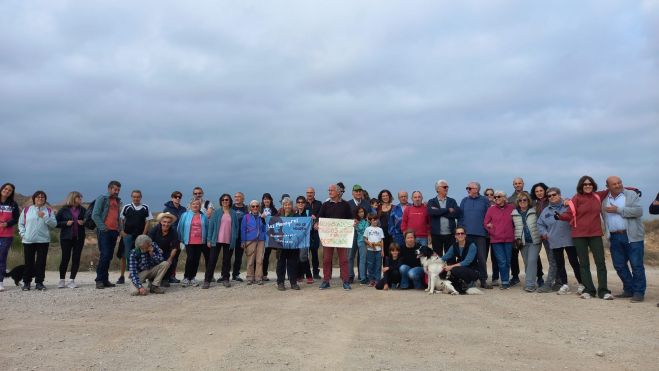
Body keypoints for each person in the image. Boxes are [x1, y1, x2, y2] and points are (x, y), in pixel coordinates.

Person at [557, 176, 613, 300]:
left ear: (593, 185)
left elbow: (613, 188)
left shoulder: (598, 196)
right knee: (584, 264)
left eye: (590, 184)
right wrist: (560, 216)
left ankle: (603, 291)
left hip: (595, 234)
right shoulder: (576, 198)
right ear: (581, 186)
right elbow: (569, 214)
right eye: (585, 184)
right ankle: (589, 290)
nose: (587, 186)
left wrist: (633, 189)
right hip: (579, 235)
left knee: (600, 262)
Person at [601, 176, 645, 302]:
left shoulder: (630, 195)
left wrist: (618, 210)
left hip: (632, 236)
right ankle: (629, 289)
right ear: (608, 186)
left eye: (619, 182)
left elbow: (638, 211)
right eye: (614, 184)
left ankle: (639, 292)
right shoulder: (604, 200)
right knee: (619, 265)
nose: (618, 185)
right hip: (614, 237)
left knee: (637, 265)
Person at [536, 187, 583, 294]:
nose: (552, 197)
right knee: (560, 264)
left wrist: (569, 202)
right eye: (549, 196)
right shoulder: (546, 211)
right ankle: (565, 284)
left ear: (559, 195)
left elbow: (578, 215)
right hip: (554, 241)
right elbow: (539, 224)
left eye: (554, 195)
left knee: (574, 262)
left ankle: (582, 283)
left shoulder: (568, 205)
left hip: (570, 239)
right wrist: (545, 233)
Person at [18, 191, 57, 291]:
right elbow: (21, 224)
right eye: (38, 197)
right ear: (34, 199)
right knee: (28, 262)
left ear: (45, 199)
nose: (40, 198)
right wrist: (23, 234)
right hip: (28, 240)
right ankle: (26, 282)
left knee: (41, 262)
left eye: (42, 197)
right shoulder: (26, 210)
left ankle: (39, 283)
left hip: (43, 241)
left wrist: (44, 216)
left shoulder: (48, 211)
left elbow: (54, 224)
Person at [317, 184, 353, 290]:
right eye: (329, 190)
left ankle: (345, 281)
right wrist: (316, 224)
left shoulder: (345, 205)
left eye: (331, 190)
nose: (329, 192)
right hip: (328, 237)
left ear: (338, 192)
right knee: (327, 259)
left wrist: (353, 222)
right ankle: (326, 281)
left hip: (342, 238)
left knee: (344, 260)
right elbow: (319, 218)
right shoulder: (325, 205)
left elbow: (350, 218)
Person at [459, 181, 492, 289]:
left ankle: (483, 280)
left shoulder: (485, 200)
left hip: (480, 234)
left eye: (469, 188)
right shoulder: (464, 201)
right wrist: (461, 230)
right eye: (467, 188)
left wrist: (488, 228)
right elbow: (461, 217)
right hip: (466, 235)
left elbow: (489, 216)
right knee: (466, 258)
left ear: (476, 189)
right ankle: (467, 280)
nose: (467, 190)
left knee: (481, 258)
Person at [117, 190, 153, 284]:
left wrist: (143, 235)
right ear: (131, 197)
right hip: (128, 235)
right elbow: (121, 220)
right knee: (124, 255)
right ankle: (121, 276)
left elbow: (148, 221)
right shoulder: (126, 207)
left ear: (141, 197)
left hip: (140, 236)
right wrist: (121, 231)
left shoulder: (145, 207)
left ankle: (140, 275)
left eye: (138, 197)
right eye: (134, 197)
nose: (136, 198)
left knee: (141, 255)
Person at [91, 180, 122, 289]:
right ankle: (99, 280)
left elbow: (118, 217)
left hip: (114, 232)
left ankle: (105, 279)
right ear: (109, 189)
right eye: (115, 189)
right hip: (104, 232)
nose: (117, 191)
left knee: (108, 256)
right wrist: (103, 228)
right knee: (104, 255)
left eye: (118, 190)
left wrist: (119, 229)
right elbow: (95, 215)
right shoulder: (102, 198)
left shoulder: (118, 201)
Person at [206, 194, 239, 289]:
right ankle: (207, 280)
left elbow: (236, 227)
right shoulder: (216, 213)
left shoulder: (233, 213)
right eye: (223, 200)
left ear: (230, 201)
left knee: (226, 261)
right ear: (221, 201)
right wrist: (209, 239)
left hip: (228, 240)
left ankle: (225, 279)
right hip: (216, 240)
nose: (225, 201)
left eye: (227, 200)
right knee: (212, 260)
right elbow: (211, 227)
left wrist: (235, 237)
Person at [484, 190, 515, 289]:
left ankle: (505, 279)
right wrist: (493, 232)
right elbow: (486, 223)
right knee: (501, 261)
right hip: (496, 240)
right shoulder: (491, 209)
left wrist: (513, 233)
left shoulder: (511, 208)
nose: (496, 198)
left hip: (509, 239)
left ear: (504, 198)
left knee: (508, 260)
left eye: (499, 197)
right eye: (495, 197)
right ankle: (505, 282)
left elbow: (516, 222)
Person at [55, 191, 86, 289]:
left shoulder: (83, 210)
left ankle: (72, 280)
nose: (80, 200)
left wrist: (83, 222)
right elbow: (55, 223)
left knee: (76, 259)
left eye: (81, 198)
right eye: (79, 198)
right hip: (66, 238)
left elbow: (89, 222)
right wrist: (65, 223)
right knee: (65, 258)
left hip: (79, 238)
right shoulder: (63, 210)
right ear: (73, 198)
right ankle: (62, 280)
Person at [511, 192, 541, 292]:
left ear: (528, 201)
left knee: (532, 261)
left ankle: (530, 285)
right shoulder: (514, 213)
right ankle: (531, 281)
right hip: (522, 242)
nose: (522, 202)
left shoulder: (535, 210)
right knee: (527, 263)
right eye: (520, 200)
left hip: (535, 241)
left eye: (525, 200)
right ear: (517, 202)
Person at [177, 199, 208, 287]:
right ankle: (186, 277)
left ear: (200, 206)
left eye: (197, 204)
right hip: (188, 241)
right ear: (190, 205)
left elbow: (207, 227)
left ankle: (193, 277)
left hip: (200, 241)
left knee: (196, 260)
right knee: (190, 258)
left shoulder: (203, 216)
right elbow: (180, 227)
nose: (195, 206)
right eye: (193, 204)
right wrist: (181, 239)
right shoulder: (185, 215)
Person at [439, 226, 480, 294]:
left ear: (465, 235)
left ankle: (471, 282)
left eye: (462, 233)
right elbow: (445, 257)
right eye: (458, 234)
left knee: (454, 269)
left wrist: (451, 267)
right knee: (447, 270)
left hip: (473, 271)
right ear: (455, 236)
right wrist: (434, 260)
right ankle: (461, 283)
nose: (460, 235)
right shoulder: (454, 246)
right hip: (461, 269)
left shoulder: (471, 245)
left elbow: (467, 262)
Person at [530, 182, 555, 291]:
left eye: (541, 190)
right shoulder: (534, 204)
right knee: (551, 259)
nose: (539, 193)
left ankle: (552, 282)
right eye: (536, 191)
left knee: (554, 259)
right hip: (542, 235)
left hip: (554, 234)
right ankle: (556, 281)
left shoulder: (551, 200)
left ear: (545, 190)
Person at [427, 179, 461, 255]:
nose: (446, 188)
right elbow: (431, 212)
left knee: (451, 257)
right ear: (438, 189)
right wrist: (448, 210)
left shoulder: (452, 201)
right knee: (438, 258)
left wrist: (439, 211)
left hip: (450, 235)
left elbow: (456, 214)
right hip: (436, 235)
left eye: (447, 187)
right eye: (444, 187)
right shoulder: (431, 201)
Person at [147, 212, 179, 288]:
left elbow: (175, 247)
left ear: (171, 223)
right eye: (164, 222)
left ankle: (165, 279)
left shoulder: (174, 232)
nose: (166, 224)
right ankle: (151, 280)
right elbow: (148, 242)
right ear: (160, 222)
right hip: (154, 251)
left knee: (172, 260)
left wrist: (170, 259)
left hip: (167, 252)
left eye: (168, 222)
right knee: (151, 260)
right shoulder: (154, 230)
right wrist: (152, 252)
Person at [348, 184, 372, 283]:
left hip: (363, 234)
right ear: (353, 193)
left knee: (363, 256)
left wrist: (369, 219)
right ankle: (350, 275)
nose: (358, 193)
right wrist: (351, 221)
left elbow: (370, 216)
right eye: (356, 191)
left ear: (362, 192)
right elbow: (344, 217)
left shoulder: (366, 203)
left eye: (359, 191)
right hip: (351, 233)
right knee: (350, 256)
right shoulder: (348, 203)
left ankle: (363, 276)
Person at [275, 197, 300, 291]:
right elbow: (272, 225)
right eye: (285, 204)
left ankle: (293, 283)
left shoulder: (296, 216)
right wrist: (265, 218)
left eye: (289, 204)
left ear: (291, 205)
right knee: (281, 264)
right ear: (283, 206)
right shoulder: (277, 215)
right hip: (281, 244)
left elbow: (301, 226)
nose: (287, 206)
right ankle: (280, 282)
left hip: (293, 244)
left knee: (292, 263)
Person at [0, 183, 20, 292]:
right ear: (2, 189)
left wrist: (7, 224)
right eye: (5, 188)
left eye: (10, 190)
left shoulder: (13, 204)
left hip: (6, 236)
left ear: (11, 193)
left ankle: (0, 282)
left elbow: (16, 218)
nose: (7, 191)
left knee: (1, 258)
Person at [163, 190, 186, 283]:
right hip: (169, 236)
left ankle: (172, 276)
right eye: (175, 197)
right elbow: (164, 223)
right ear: (172, 198)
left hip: (179, 236)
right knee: (168, 256)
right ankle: (165, 276)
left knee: (176, 257)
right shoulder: (167, 209)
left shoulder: (183, 209)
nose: (177, 198)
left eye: (179, 197)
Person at [242, 200, 266, 285]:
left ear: (259, 207)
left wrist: (264, 238)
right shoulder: (246, 217)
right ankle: (250, 277)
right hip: (250, 240)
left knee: (260, 260)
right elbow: (243, 229)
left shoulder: (262, 217)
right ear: (250, 207)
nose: (255, 208)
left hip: (261, 241)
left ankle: (259, 277)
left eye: (256, 206)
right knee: (250, 260)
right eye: (253, 206)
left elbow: (265, 229)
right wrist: (243, 241)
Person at [294, 196, 313, 284]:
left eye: (302, 202)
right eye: (299, 202)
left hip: (305, 239)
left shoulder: (308, 214)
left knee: (303, 257)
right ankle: (299, 275)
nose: (300, 204)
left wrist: (313, 219)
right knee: (297, 257)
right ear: (296, 204)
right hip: (296, 239)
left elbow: (312, 226)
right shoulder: (294, 214)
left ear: (305, 204)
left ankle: (309, 276)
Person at [260, 193, 278, 281]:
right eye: (264, 199)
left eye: (268, 199)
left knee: (275, 254)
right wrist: (261, 217)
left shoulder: (274, 210)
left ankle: (279, 274)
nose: (266, 200)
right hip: (262, 235)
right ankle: (262, 274)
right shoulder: (259, 209)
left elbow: (278, 221)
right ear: (263, 200)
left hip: (272, 235)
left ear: (270, 200)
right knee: (263, 255)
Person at [483, 187, 499, 286]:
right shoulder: (482, 205)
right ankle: (483, 277)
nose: (489, 196)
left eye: (491, 194)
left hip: (495, 235)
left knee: (495, 258)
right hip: (484, 235)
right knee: (482, 257)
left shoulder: (497, 206)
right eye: (487, 194)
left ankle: (495, 278)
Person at [305, 187, 323, 279]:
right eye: (308, 192)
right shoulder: (303, 203)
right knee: (305, 254)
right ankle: (307, 273)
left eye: (311, 192)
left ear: (314, 193)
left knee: (315, 253)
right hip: (305, 233)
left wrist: (317, 221)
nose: (309, 194)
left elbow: (322, 215)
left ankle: (316, 273)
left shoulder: (319, 203)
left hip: (315, 232)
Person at [231, 192, 248, 282]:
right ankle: (224, 274)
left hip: (241, 236)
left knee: (238, 257)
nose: (236, 198)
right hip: (230, 236)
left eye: (239, 197)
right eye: (235, 196)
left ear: (243, 198)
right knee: (227, 256)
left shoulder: (246, 209)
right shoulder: (230, 207)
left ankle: (236, 274)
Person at [364, 213, 384, 286]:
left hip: (378, 250)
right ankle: (371, 280)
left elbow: (382, 241)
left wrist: (382, 251)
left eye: (376, 220)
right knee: (370, 265)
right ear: (370, 221)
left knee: (378, 265)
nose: (375, 221)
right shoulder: (367, 229)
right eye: (373, 220)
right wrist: (369, 243)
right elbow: (365, 239)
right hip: (370, 250)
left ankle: (377, 280)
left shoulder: (380, 229)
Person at [353, 206, 369, 284]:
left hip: (368, 242)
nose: (361, 213)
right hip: (361, 241)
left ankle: (365, 276)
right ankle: (362, 277)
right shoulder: (356, 222)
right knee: (363, 260)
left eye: (362, 211)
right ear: (357, 214)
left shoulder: (366, 220)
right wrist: (358, 224)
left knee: (366, 259)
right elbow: (362, 230)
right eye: (359, 212)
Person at [376, 189, 394, 259]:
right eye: (383, 196)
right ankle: (382, 268)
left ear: (389, 196)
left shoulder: (394, 207)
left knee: (392, 251)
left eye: (387, 195)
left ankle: (391, 268)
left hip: (392, 234)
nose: (385, 197)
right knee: (382, 252)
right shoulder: (378, 208)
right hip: (381, 233)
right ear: (381, 197)